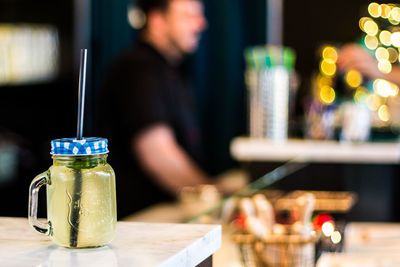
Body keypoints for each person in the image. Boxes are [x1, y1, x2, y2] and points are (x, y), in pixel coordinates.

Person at [99, 0, 212, 218]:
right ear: (157, 21)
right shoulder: (137, 68)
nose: (201, 24)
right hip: (141, 219)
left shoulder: (169, 69)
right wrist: (211, 192)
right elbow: (157, 155)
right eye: (189, 16)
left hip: (166, 211)